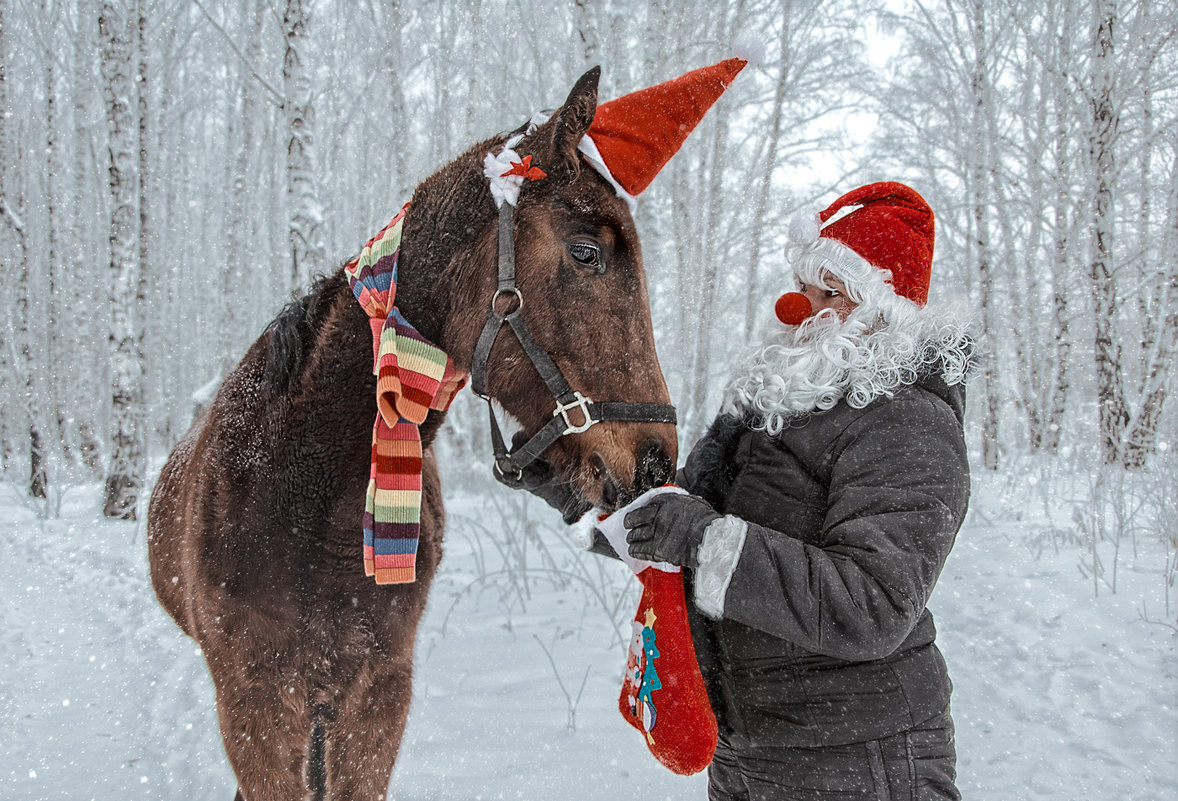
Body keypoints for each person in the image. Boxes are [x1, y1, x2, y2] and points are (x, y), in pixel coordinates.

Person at [508, 181, 974, 800]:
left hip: (859, 756)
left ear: (882, 309)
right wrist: (578, 480)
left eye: (827, 291)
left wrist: (705, 539)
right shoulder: (767, 403)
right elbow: (678, 518)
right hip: (746, 747)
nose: (797, 306)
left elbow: (874, 605)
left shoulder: (911, 421)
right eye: (805, 284)